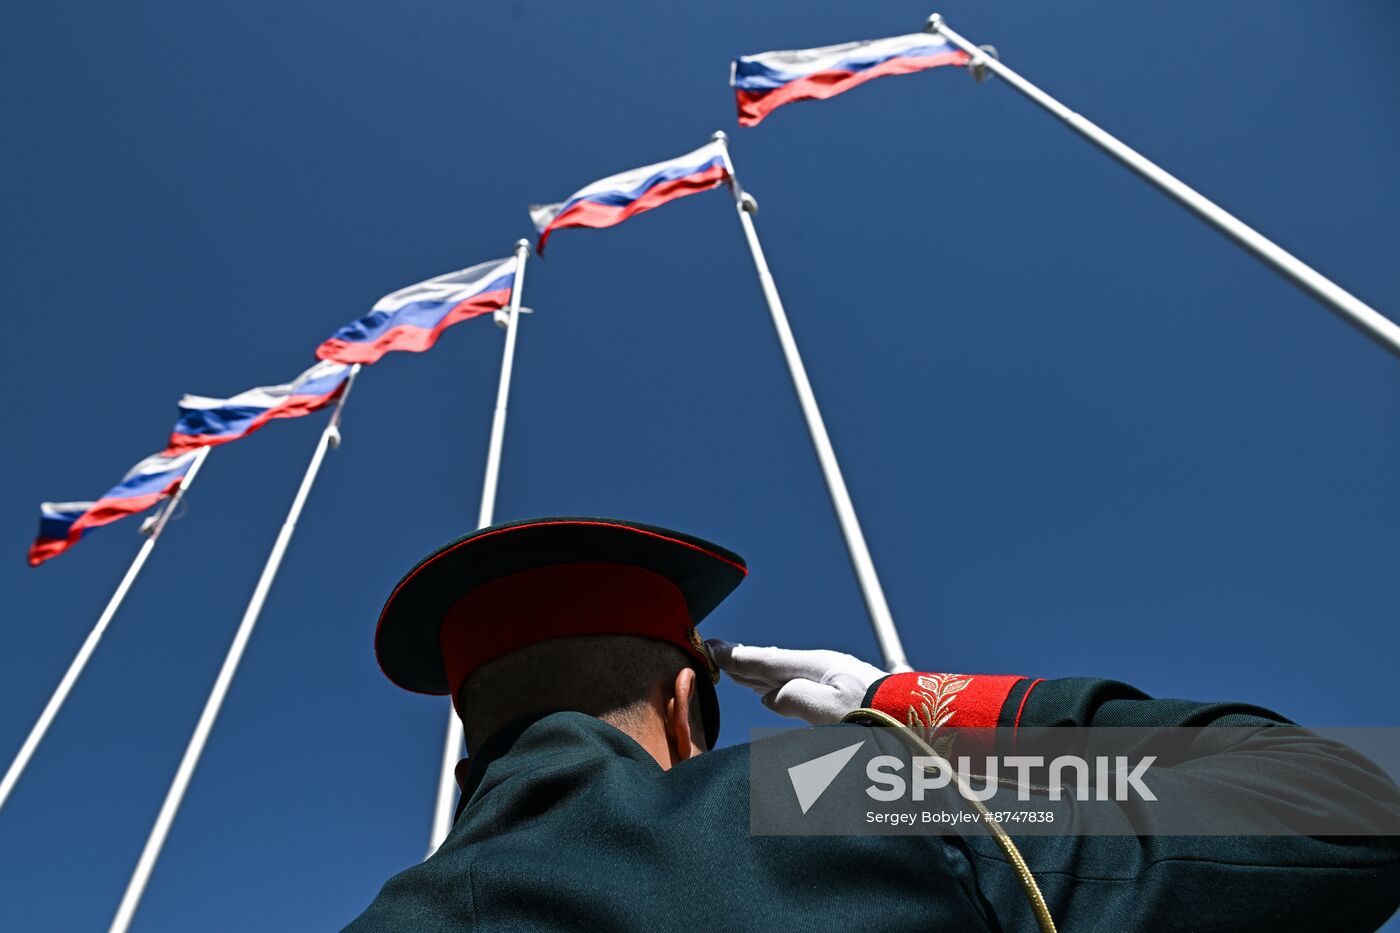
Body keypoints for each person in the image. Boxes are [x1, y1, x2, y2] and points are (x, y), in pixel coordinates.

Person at [346, 516, 1400, 932]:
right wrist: (889, 703)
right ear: (683, 708)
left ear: (464, 765)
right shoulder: (821, 797)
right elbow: (1341, 805)